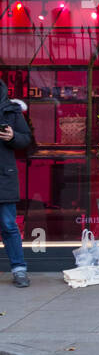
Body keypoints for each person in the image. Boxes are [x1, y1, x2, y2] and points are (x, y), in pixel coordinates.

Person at [0, 81, 34, 287]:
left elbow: (26, 139)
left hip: (4, 176)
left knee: (9, 225)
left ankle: (19, 270)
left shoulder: (11, 110)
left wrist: (12, 137)